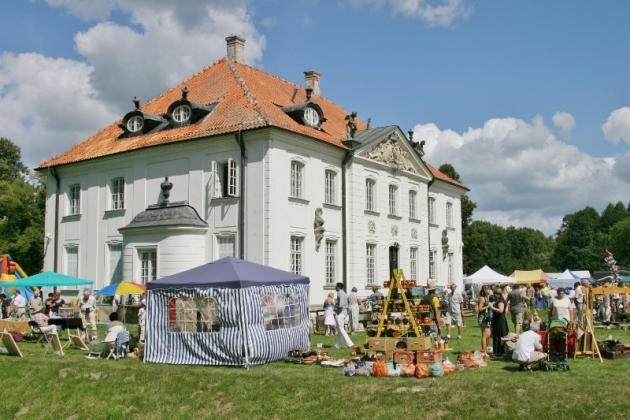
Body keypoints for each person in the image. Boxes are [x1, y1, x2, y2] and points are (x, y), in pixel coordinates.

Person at [490, 285, 509, 357]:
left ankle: (499, 351)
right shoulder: (497, 300)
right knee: (496, 335)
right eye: (494, 293)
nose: (495, 295)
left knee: (499, 335)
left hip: (500, 320)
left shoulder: (501, 301)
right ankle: (497, 351)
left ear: (500, 294)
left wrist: (492, 307)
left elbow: (501, 310)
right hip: (497, 320)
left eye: (496, 294)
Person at [334, 283, 354, 349]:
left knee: (341, 329)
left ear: (339, 287)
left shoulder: (341, 293)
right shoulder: (344, 293)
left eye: (336, 286)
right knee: (340, 329)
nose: (335, 287)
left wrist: (338, 312)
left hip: (341, 312)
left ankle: (350, 343)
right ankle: (338, 345)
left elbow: (341, 305)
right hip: (343, 312)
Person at [477, 285, 492, 357]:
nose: (489, 291)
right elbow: (479, 309)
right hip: (482, 317)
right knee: (485, 335)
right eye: (488, 289)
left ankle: (485, 350)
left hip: (486, 317)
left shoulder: (486, 298)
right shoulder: (482, 298)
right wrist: (488, 306)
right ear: (485, 290)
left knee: (488, 335)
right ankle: (484, 352)